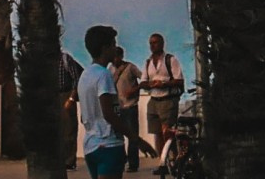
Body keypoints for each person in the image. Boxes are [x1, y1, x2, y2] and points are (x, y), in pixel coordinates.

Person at [76, 27, 129, 179]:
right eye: (113, 45)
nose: (115, 49)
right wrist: (134, 138)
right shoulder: (104, 75)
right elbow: (109, 114)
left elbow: (84, 116)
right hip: (109, 145)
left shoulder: (85, 75)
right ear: (105, 48)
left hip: (91, 147)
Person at [141, 34, 184, 162]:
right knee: (157, 133)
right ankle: (162, 162)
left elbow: (179, 80)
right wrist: (149, 84)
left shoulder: (170, 60)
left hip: (167, 99)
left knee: (168, 132)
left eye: (155, 42)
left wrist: (163, 84)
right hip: (154, 99)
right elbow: (143, 81)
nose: (152, 46)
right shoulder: (148, 62)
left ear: (162, 43)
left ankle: (175, 159)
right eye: (151, 43)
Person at [110, 44, 145, 171]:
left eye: (117, 57)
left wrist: (134, 90)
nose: (115, 60)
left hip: (130, 106)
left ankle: (133, 164)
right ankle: (121, 160)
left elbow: (144, 79)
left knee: (132, 136)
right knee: (117, 137)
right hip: (118, 107)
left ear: (121, 56)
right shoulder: (111, 69)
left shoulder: (130, 67)